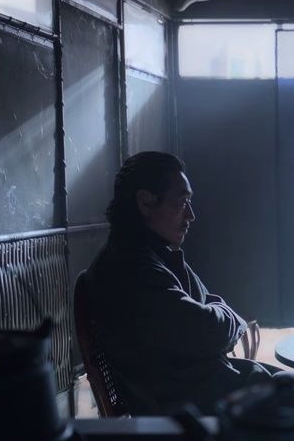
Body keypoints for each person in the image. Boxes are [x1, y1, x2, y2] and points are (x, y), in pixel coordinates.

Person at [85, 152, 271, 415]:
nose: (191, 215)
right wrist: (231, 319)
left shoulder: (153, 255)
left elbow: (211, 307)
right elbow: (210, 331)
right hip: (196, 416)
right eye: (182, 202)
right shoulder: (131, 270)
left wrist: (221, 318)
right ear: (145, 202)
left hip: (213, 393)